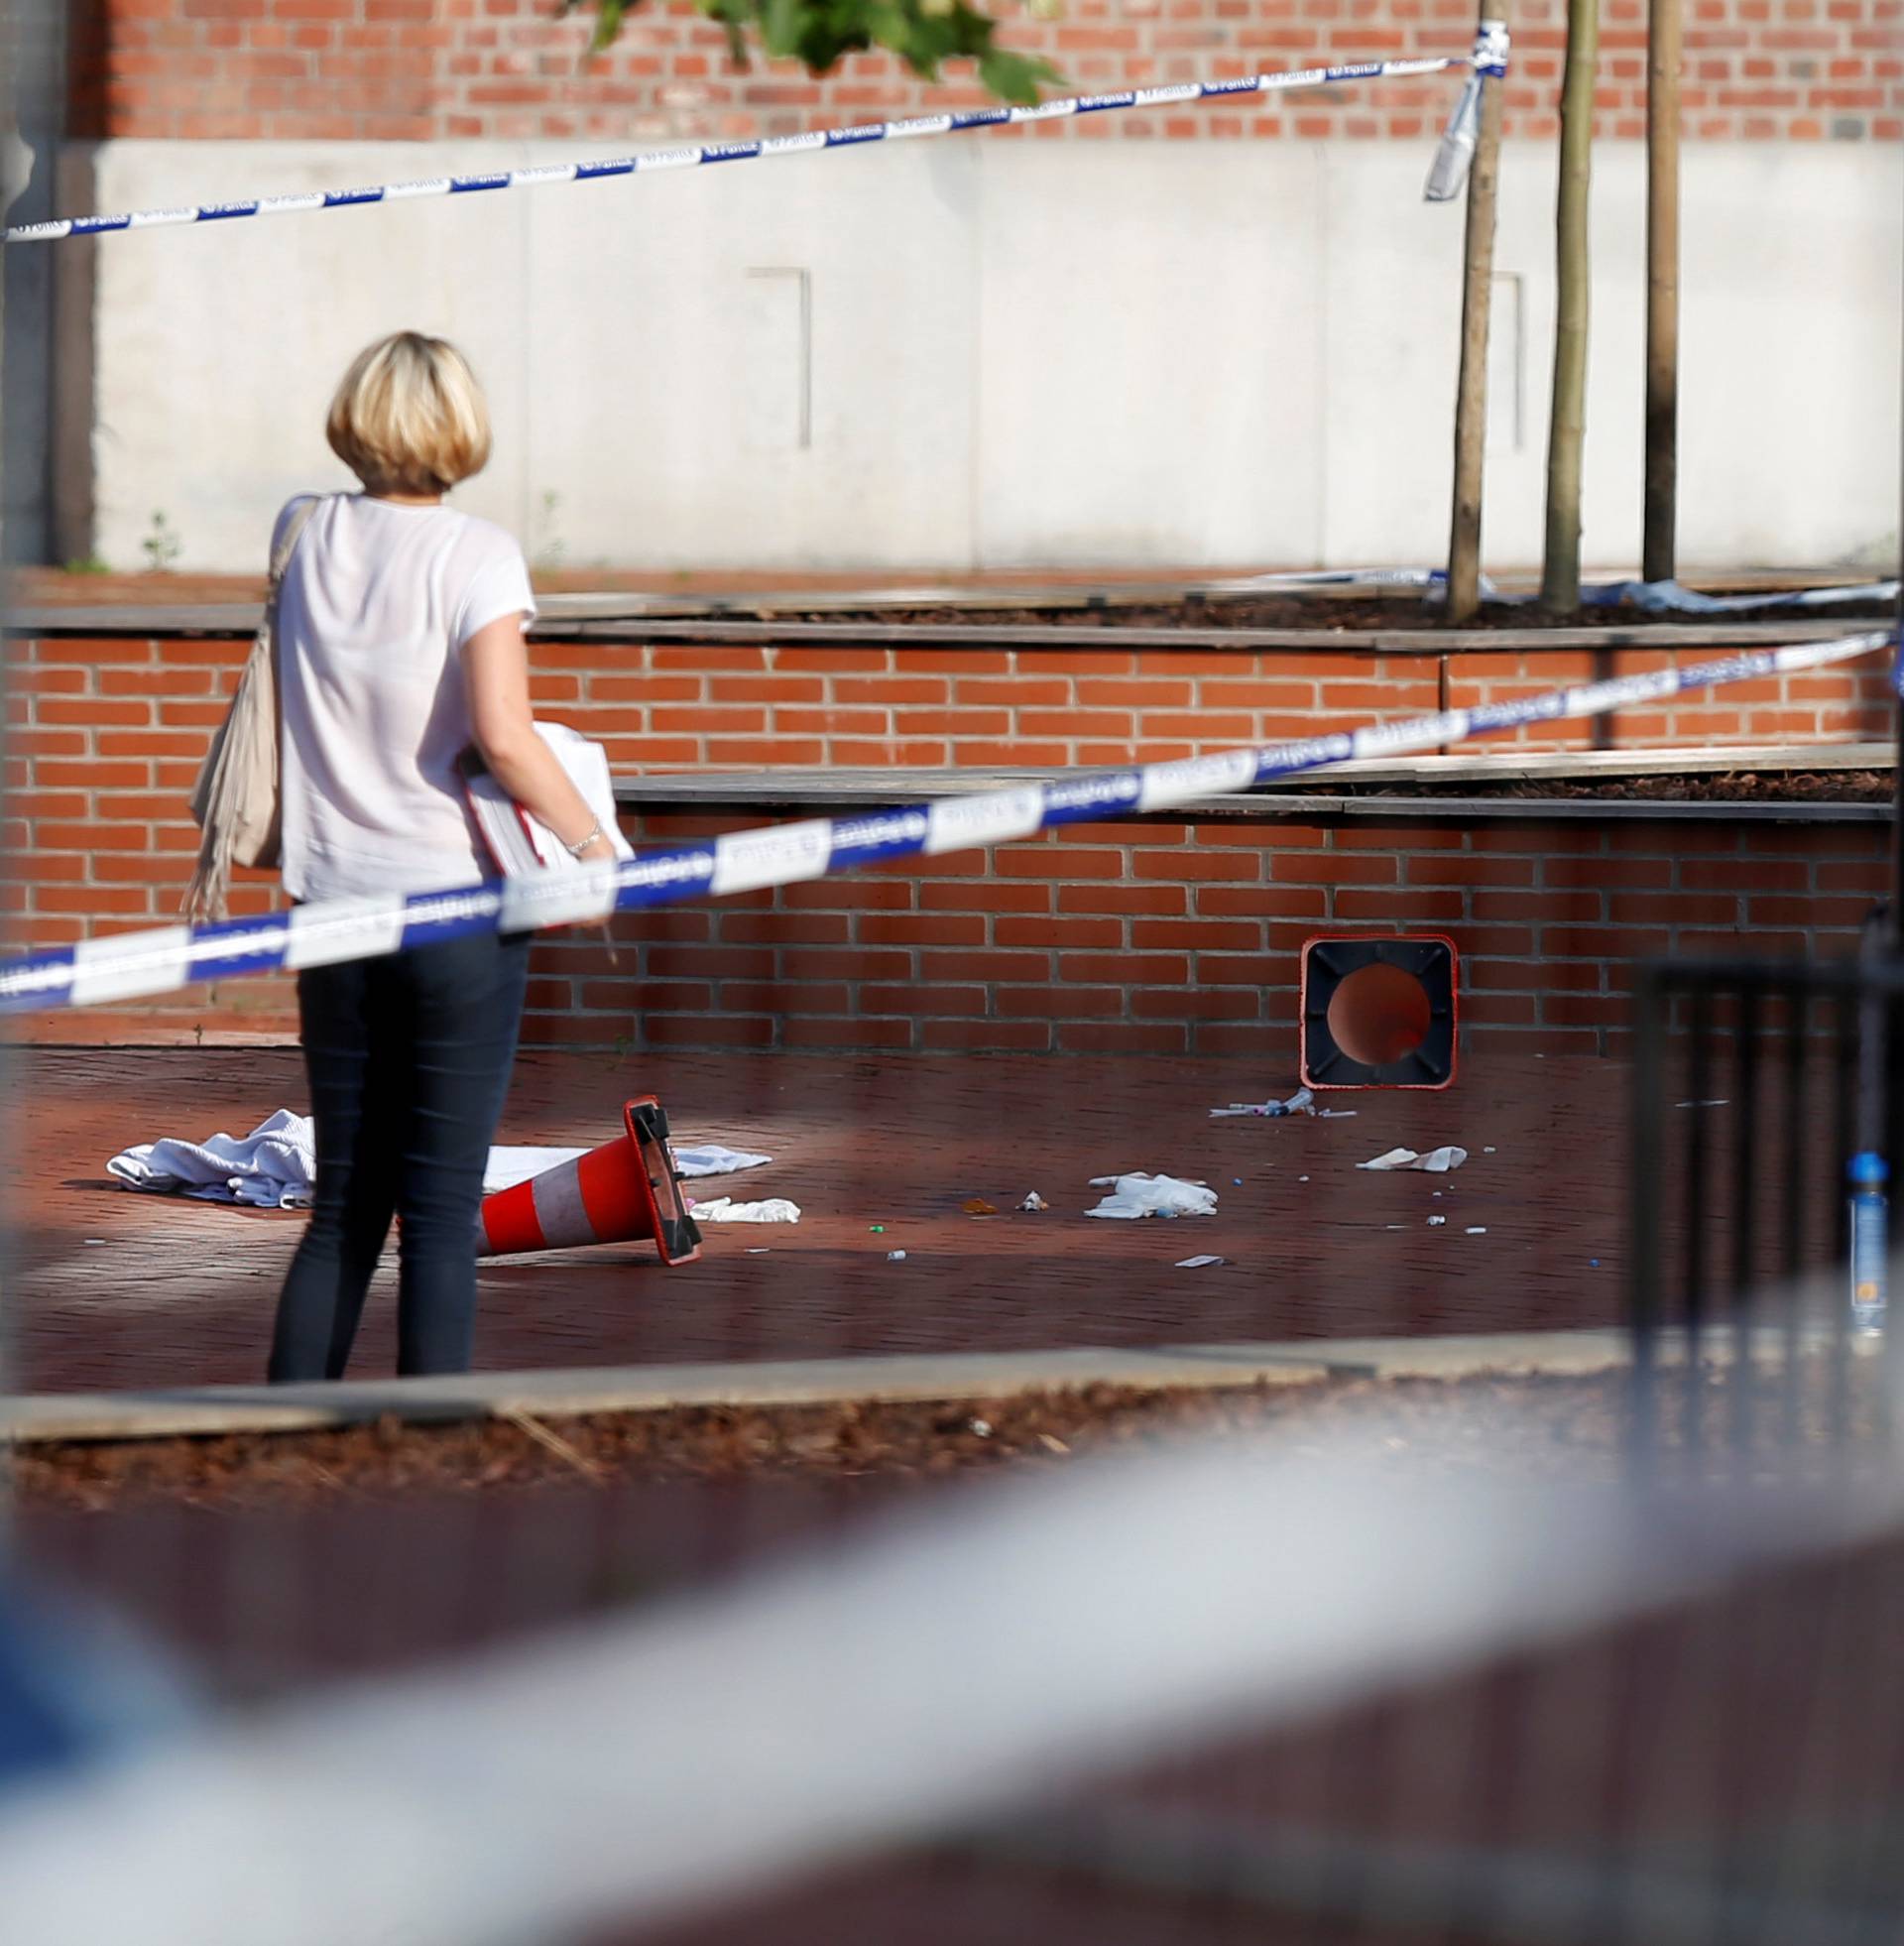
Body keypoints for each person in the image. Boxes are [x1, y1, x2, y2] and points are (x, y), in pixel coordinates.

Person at [266, 330, 615, 1383]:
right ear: (461, 426)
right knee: (442, 1210)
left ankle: (278, 1438)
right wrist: (594, 848)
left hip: (330, 902)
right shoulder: (478, 554)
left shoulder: (300, 534)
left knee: (341, 1212)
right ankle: (430, 1465)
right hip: (456, 910)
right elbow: (505, 736)